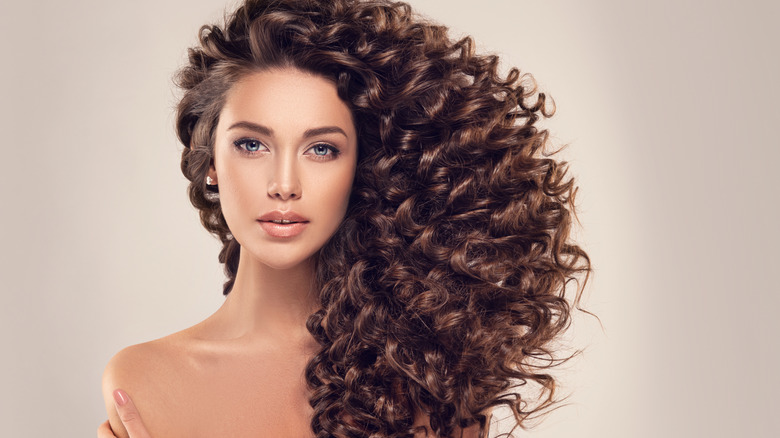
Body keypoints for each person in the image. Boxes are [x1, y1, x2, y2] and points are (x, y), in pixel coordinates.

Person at [98, 0, 591, 437]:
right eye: (252, 144)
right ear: (210, 164)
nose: (284, 183)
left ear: (363, 171)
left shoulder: (431, 371)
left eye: (321, 149)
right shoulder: (147, 379)